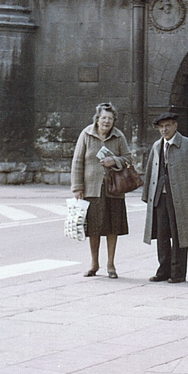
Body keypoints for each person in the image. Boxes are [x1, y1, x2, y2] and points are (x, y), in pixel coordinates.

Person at [142, 112, 188, 283]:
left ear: (175, 126)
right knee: (161, 234)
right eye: (161, 127)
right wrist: (146, 195)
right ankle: (163, 270)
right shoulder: (156, 146)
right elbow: (150, 172)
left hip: (181, 197)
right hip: (160, 196)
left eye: (168, 126)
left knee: (180, 235)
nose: (164, 130)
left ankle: (177, 273)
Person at [71, 102, 132, 278]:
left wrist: (115, 161)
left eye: (110, 119)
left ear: (114, 121)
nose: (107, 121)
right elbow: (77, 161)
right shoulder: (86, 134)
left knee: (113, 228)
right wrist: (77, 187)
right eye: (104, 118)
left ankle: (111, 264)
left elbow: (128, 158)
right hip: (91, 190)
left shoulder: (118, 136)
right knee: (94, 228)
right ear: (97, 119)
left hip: (114, 189)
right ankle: (94, 263)